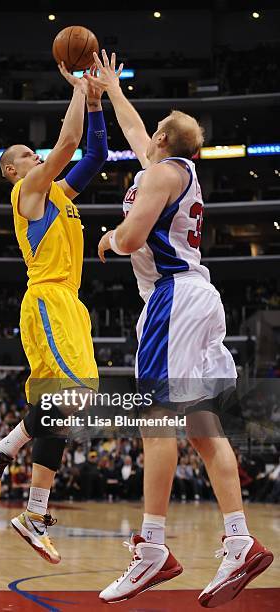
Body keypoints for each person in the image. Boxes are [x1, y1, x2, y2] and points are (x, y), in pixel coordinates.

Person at [86, 50, 274, 607]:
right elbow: (133, 127)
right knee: (201, 425)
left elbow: (131, 235)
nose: (147, 138)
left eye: (155, 134)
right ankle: (239, 538)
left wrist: (109, 239)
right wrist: (113, 88)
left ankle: (152, 549)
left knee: (156, 424)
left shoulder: (160, 174)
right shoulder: (172, 168)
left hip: (173, 300)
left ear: (165, 142)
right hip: (200, 297)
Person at [0, 63, 107, 564]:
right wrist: (78, 88)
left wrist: (95, 103)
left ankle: (26, 495)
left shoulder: (58, 194)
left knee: (65, 409)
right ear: (13, 170)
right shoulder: (27, 193)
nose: (37, 157)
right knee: (68, 397)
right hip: (48, 300)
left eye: (37, 153)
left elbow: (93, 153)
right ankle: (6, 459)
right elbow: (70, 142)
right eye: (28, 155)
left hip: (71, 305)